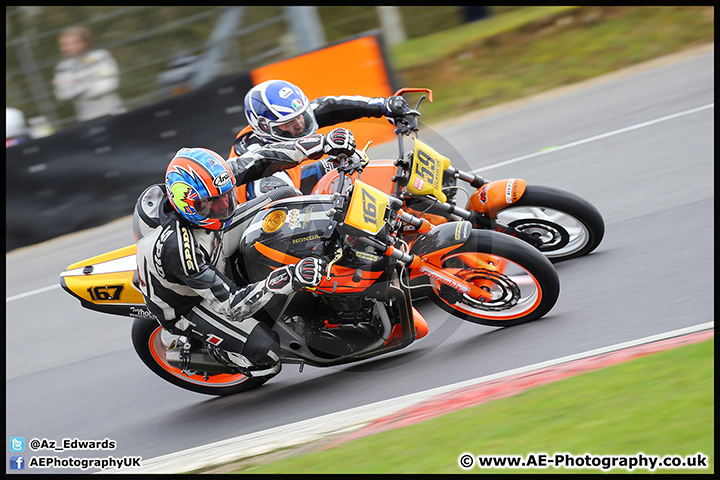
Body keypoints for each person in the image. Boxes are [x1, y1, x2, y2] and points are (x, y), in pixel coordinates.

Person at [133, 139, 355, 378]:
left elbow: (261, 157)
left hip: (209, 241)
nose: (224, 207)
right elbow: (231, 307)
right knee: (266, 355)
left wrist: (321, 144)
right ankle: (218, 353)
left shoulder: (209, 186)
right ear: (186, 204)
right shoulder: (177, 249)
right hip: (188, 304)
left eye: (227, 197)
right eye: (212, 204)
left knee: (284, 195)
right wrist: (290, 276)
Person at [229, 79, 417, 200]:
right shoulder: (256, 158)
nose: (300, 124)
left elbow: (329, 106)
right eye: (290, 122)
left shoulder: (285, 124)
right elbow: (288, 210)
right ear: (264, 126)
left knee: (348, 165)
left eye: (302, 115)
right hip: (263, 226)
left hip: (292, 182)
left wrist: (381, 105)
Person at [52, 26, 125, 122]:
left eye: (73, 43)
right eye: (64, 44)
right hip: (86, 119)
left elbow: (109, 84)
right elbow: (62, 94)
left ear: (84, 42)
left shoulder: (102, 56)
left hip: (114, 112)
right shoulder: (62, 67)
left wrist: (77, 87)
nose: (68, 47)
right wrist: (92, 83)